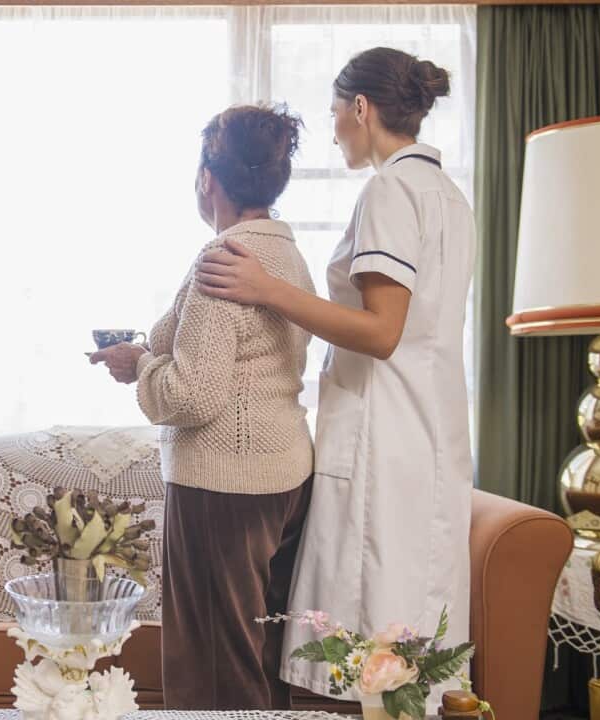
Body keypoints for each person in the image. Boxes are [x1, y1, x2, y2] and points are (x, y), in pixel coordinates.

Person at [195, 48, 476, 712]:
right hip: (426, 432)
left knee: (363, 638)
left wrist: (266, 289)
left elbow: (382, 331)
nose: (333, 131)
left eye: (334, 115)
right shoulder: (447, 194)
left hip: (385, 433)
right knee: (414, 633)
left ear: (361, 108)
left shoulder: (390, 190)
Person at [90, 104, 315, 710]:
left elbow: (192, 396)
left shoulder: (223, 260)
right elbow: (188, 341)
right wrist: (139, 354)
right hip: (280, 473)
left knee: (214, 662)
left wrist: (139, 367)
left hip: (225, 484)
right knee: (254, 651)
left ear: (207, 179)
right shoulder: (285, 255)